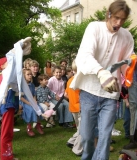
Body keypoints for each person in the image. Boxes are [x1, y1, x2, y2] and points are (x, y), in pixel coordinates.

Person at [70, 0, 134, 159]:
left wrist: (131, 70)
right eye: (116, 18)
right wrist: (101, 72)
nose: (118, 23)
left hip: (110, 95)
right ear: (109, 14)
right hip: (89, 91)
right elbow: (85, 55)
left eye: (123, 20)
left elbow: (126, 64)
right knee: (86, 137)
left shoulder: (126, 36)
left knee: (105, 137)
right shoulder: (94, 28)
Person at [0, 38, 51, 160]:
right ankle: (6, 157)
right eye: (9, 61)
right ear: (3, 65)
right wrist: (20, 44)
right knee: (7, 131)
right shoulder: (6, 75)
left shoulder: (12, 74)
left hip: (10, 104)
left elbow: (28, 93)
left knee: (7, 131)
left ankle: (6, 153)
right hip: (7, 104)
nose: (13, 62)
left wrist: (40, 112)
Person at [64, 60, 82, 156]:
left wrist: (72, 99)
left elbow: (65, 94)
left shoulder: (70, 80)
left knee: (80, 128)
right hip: (80, 108)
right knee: (82, 129)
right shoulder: (81, 80)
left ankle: (71, 141)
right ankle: (77, 149)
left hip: (72, 108)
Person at [20, 69, 44, 136]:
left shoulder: (32, 85)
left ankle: (38, 124)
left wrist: (34, 101)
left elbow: (34, 94)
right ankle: (29, 127)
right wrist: (29, 103)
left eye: (30, 74)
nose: (30, 76)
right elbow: (20, 97)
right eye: (28, 74)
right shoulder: (21, 85)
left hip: (31, 101)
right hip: (24, 101)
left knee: (39, 108)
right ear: (24, 76)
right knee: (30, 110)